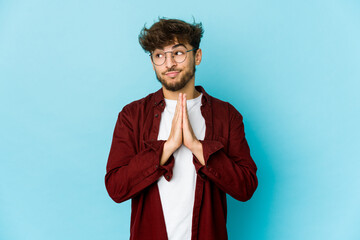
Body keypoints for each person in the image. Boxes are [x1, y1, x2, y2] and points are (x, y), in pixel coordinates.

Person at [105, 18, 258, 240]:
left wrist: (198, 148)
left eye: (178, 53)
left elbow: (246, 187)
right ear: (152, 62)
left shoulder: (227, 115)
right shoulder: (132, 116)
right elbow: (116, 188)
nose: (169, 63)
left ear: (197, 56)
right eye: (159, 55)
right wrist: (166, 149)